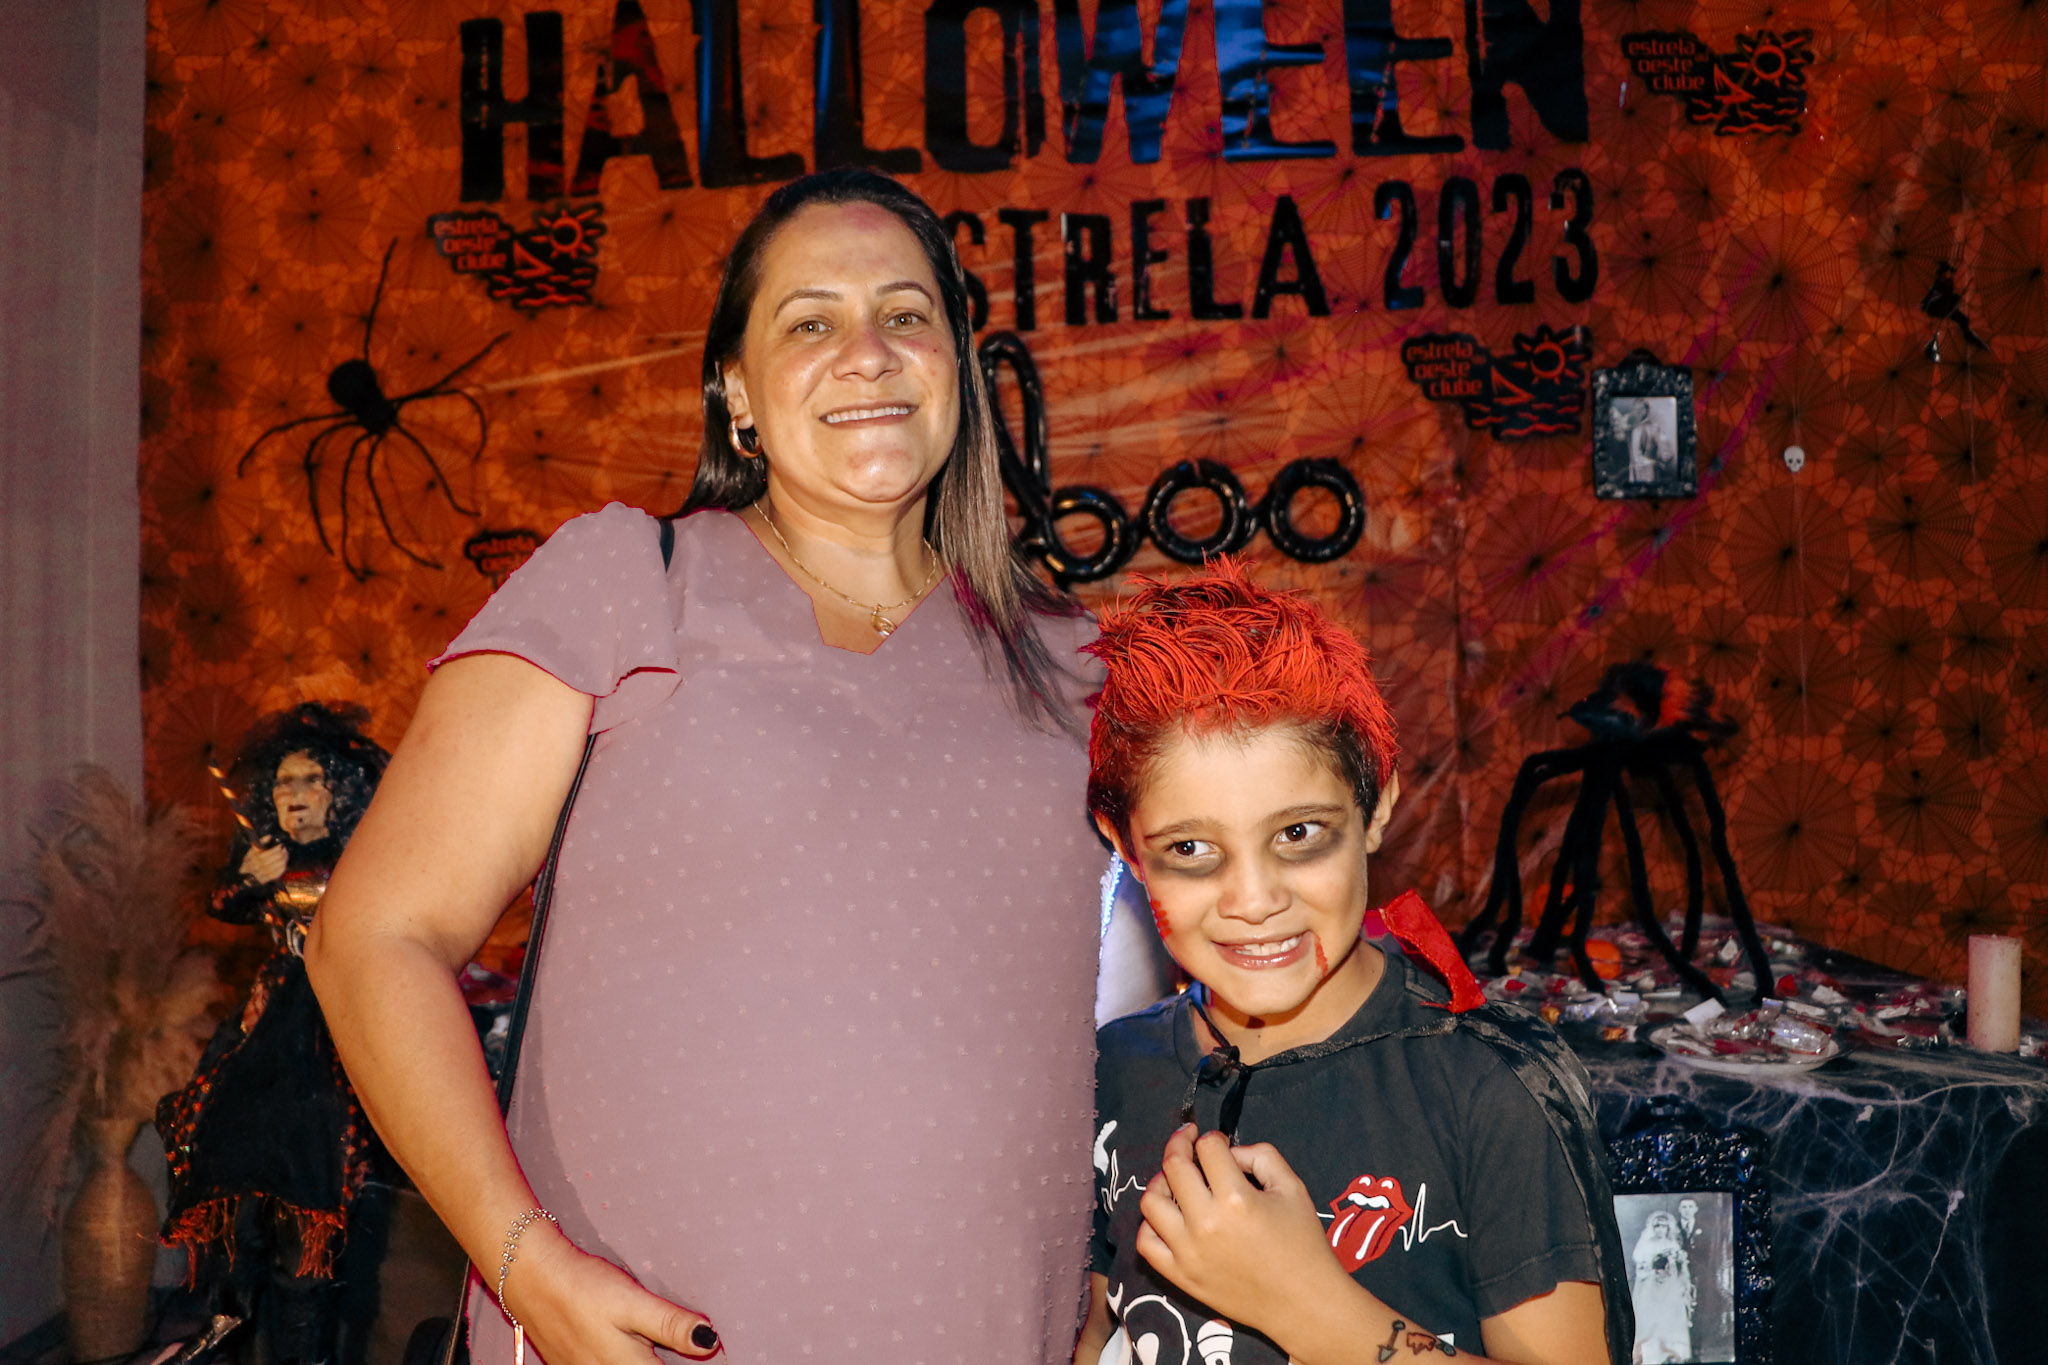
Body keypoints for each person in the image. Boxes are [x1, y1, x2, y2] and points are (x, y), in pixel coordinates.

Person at [304, 169, 1104, 1365]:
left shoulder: (1070, 659)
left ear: (957, 367)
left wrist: (1109, 1277)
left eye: (905, 314)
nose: (868, 353)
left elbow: (1147, 1009)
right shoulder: (631, 581)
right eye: (810, 323)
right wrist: (526, 1269)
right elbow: (374, 939)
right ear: (734, 389)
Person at [1072, 562, 1632, 1365]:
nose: (1254, 899)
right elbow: (1100, 1335)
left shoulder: (1491, 1086)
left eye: (1298, 834)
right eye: (1191, 848)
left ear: (1376, 808)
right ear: (1124, 844)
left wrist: (1305, 1303)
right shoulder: (1112, 1072)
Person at [157, 703, 391, 1365]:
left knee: (307, 1222)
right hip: (268, 1029)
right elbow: (223, 905)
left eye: (310, 779)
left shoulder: (366, 858)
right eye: (284, 782)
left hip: (337, 1027)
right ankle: (225, 1323)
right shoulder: (270, 857)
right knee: (237, 1195)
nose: (294, 793)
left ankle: (302, 1348)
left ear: (339, 791)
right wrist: (247, 879)